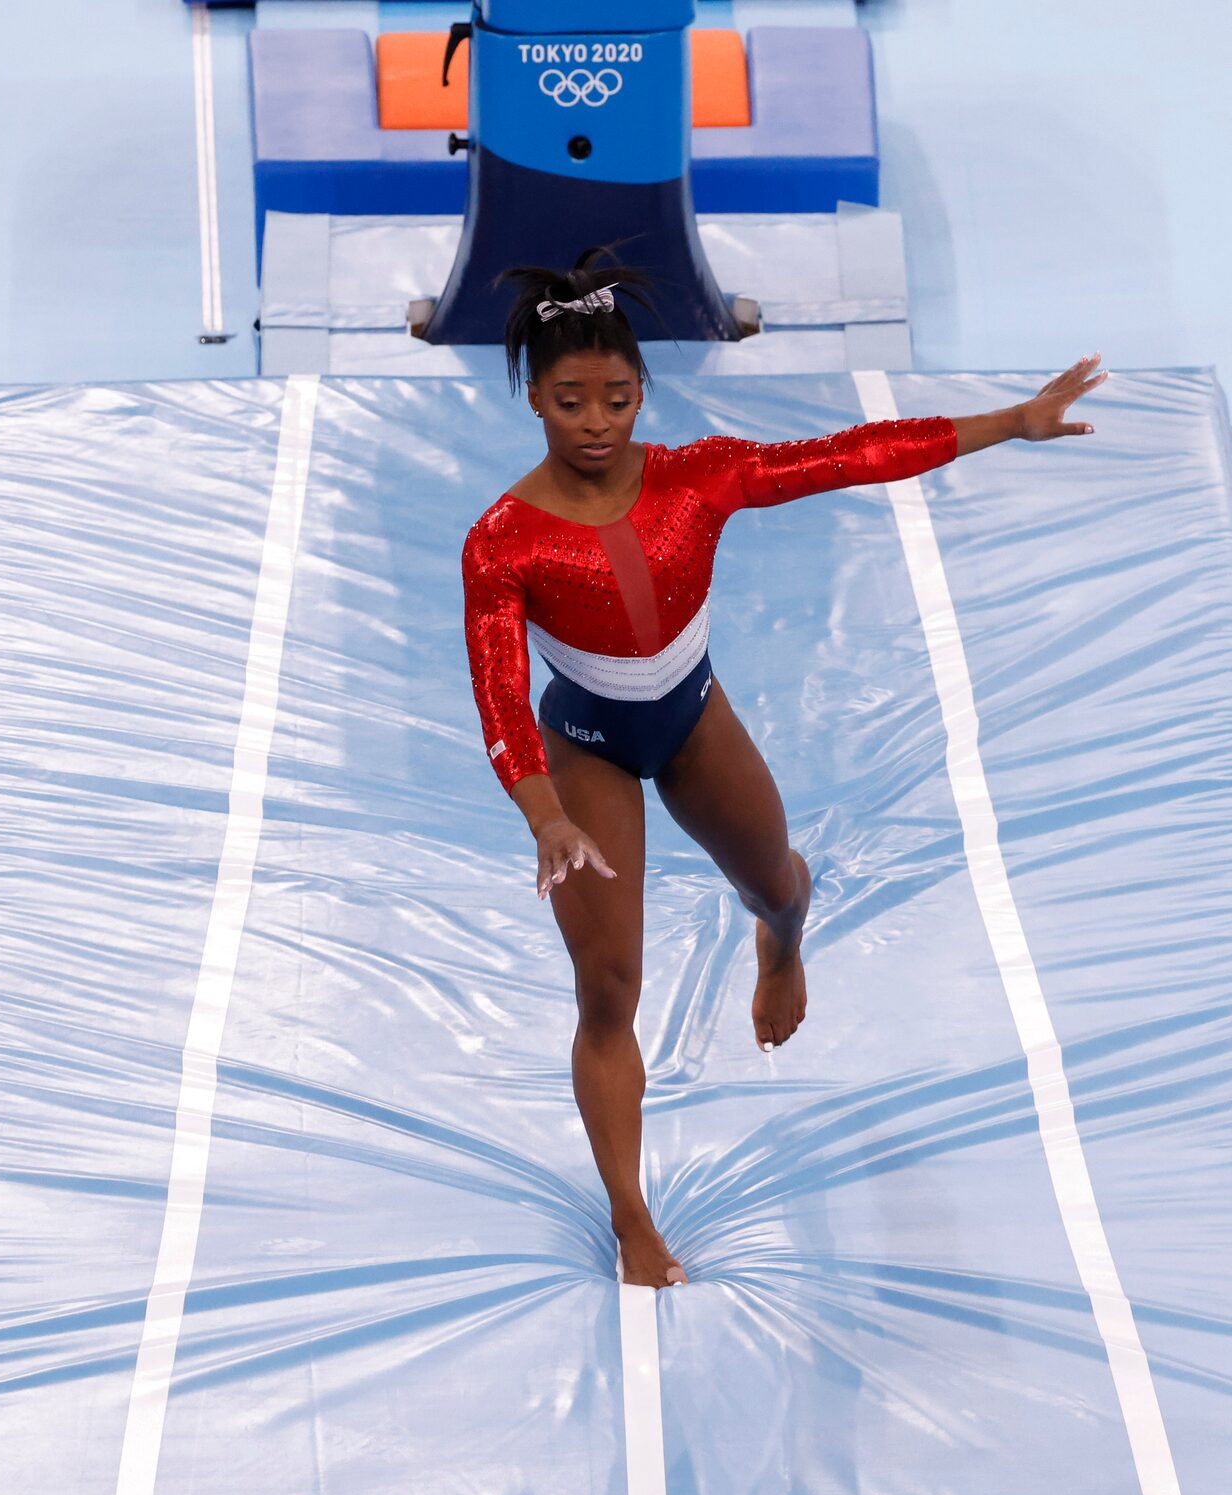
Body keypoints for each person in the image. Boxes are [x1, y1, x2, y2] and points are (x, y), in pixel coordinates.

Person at [462, 251, 1106, 1289]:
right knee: (607, 989)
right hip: (583, 751)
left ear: (644, 393)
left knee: (780, 886)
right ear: (532, 397)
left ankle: (778, 942)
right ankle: (633, 1217)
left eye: (617, 398)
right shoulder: (500, 542)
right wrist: (542, 815)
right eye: (569, 400)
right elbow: (497, 693)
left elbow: (851, 456)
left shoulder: (696, 477)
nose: (594, 420)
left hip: (690, 719)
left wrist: (1008, 425)